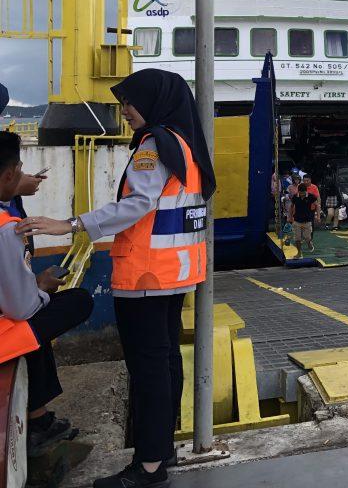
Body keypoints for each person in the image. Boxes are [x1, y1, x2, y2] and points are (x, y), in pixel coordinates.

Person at [17, 69, 216, 488]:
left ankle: (149, 467)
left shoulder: (153, 144)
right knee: (165, 364)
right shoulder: (185, 144)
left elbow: (138, 203)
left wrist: (71, 224)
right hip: (176, 274)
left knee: (149, 370)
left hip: (146, 275)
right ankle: (161, 450)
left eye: (129, 101)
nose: (124, 110)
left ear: (154, 101)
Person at [0, 133, 93, 457]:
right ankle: (38, 423)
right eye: (19, 170)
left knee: (37, 323)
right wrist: (40, 287)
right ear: (9, 175)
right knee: (72, 304)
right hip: (4, 332)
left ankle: (39, 418)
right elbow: (21, 307)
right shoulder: (6, 228)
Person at [288, 183, 317, 257]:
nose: (302, 195)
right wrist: (290, 217)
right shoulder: (295, 196)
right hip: (297, 220)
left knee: (307, 238)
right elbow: (291, 206)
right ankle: (299, 253)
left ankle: (309, 243)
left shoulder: (311, 196)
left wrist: (318, 216)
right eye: (300, 193)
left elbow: (317, 205)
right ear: (298, 191)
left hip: (307, 221)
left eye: (303, 193)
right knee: (297, 239)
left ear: (306, 191)